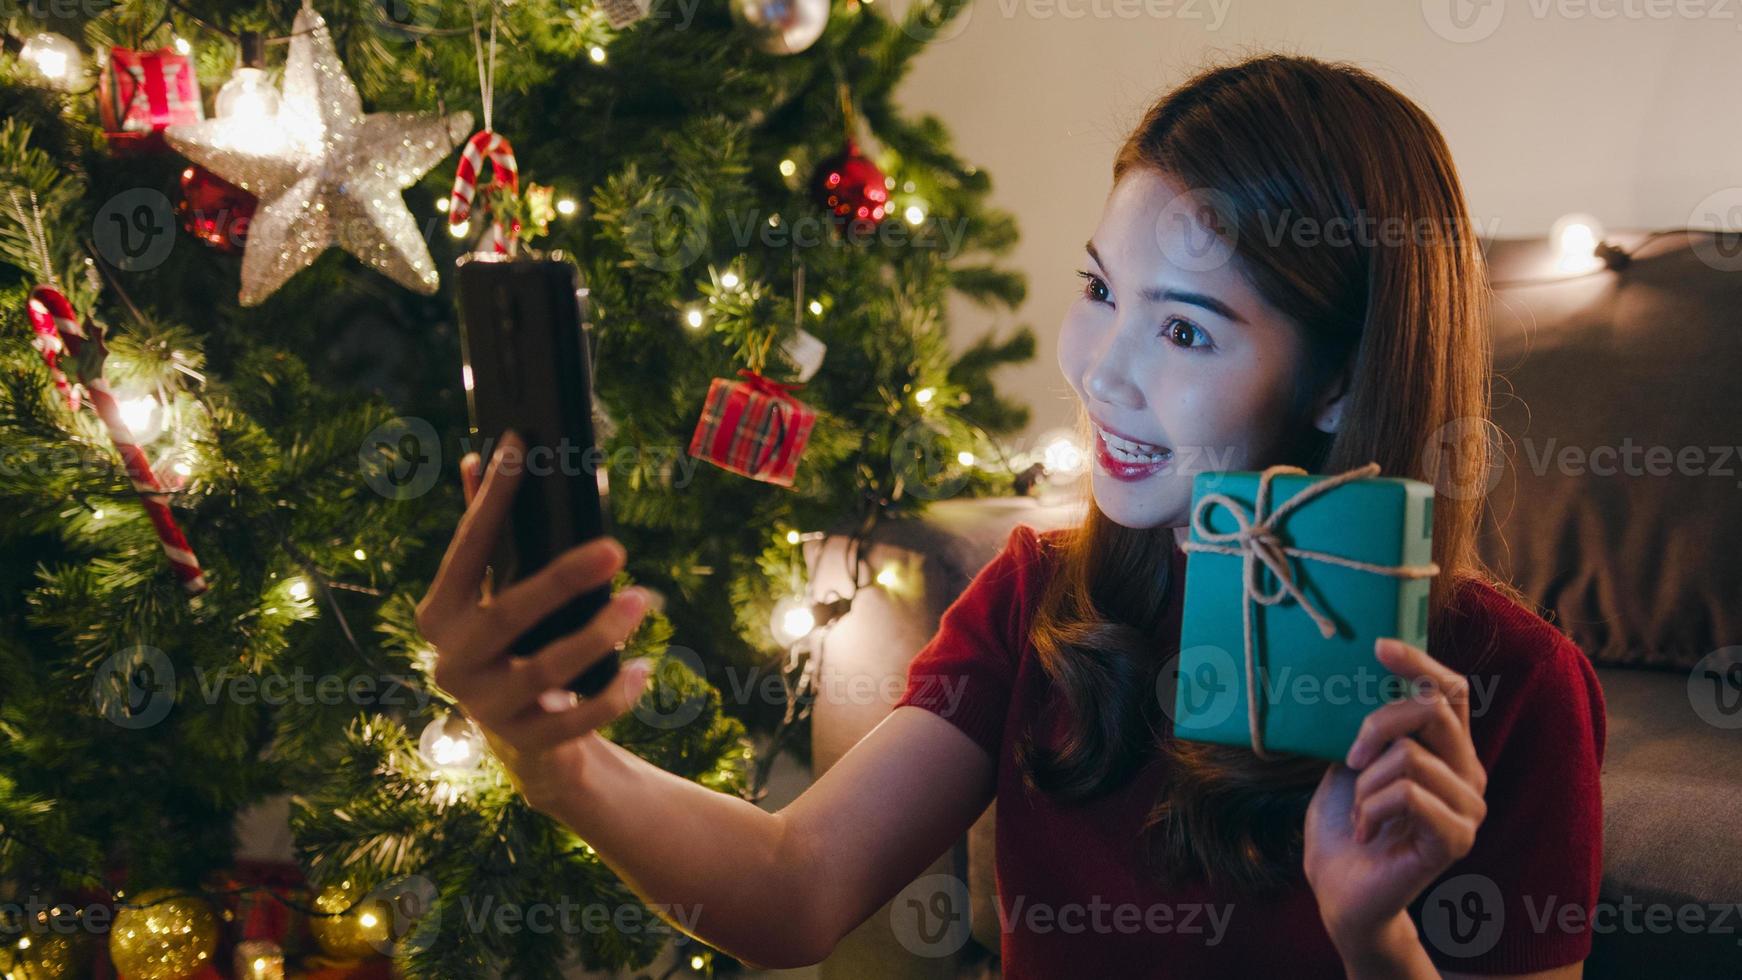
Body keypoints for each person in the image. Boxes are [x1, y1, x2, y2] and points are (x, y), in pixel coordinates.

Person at [416, 52, 1605, 978]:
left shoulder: (1509, 688)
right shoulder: (1044, 594)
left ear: (1336, 377)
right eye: (1098, 289)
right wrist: (559, 761)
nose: (1099, 369)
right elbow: (790, 889)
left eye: (1184, 328)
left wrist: (1374, 940)